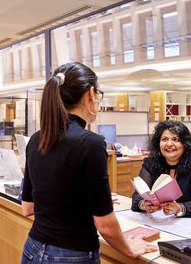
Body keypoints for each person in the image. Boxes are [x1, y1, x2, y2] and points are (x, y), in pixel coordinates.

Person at [20, 62, 157, 264]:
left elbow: (28, 207)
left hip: (33, 247)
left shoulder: (37, 138)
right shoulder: (90, 143)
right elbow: (105, 225)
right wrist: (128, 249)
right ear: (91, 93)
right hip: (72, 255)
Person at [131, 120, 191, 218]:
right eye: (164, 139)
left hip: (188, 225)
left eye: (175, 139)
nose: (169, 144)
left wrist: (180, 208)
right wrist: (143, 205)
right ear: (158, 143)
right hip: (158, 222)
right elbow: (136, 198)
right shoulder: (150, 164)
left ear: (185, 144)